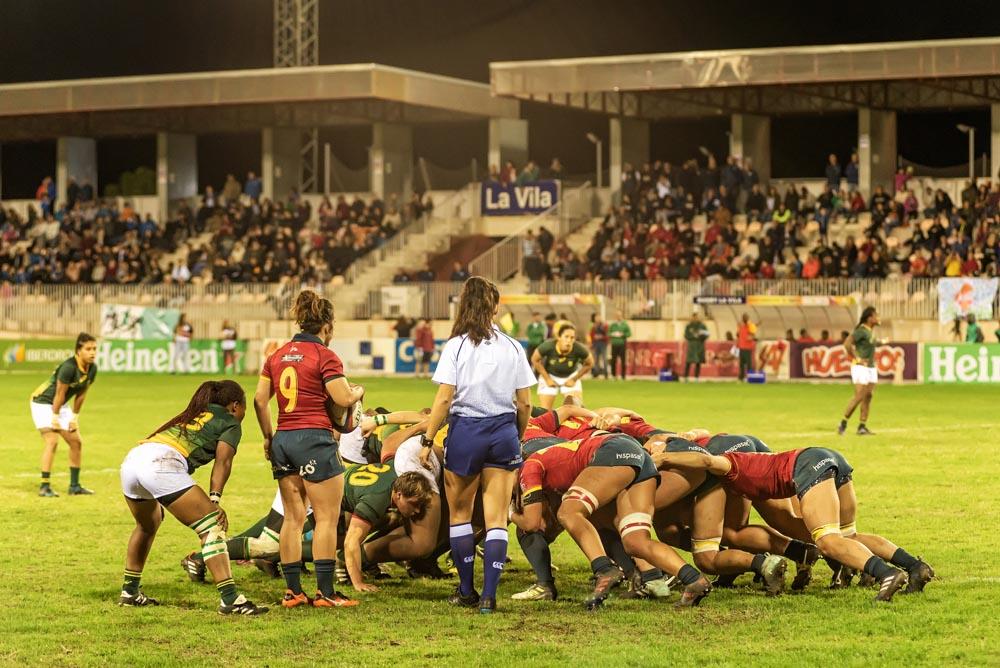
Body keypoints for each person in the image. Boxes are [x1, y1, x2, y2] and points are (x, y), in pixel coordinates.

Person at [652, 446, 934, 602]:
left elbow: (703, 459)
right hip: (827, 457)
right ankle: (914, 566)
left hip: (808, 465)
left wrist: (663, 458)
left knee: (826, 540)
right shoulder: (743, 469)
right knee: (849, 537)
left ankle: (886, 574)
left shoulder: (729, 463)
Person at [421, 276, 535, 614]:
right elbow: (525, 403)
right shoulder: (513, 347)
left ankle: (467, 589)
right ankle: (489, 596)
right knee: (497, 517)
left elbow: (444, 399)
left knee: (460, 515)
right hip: (503, 431)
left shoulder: (456, 346)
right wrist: (517, 434)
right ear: (496, 307)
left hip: (466, 432)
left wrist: (428, 439)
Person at [255, 290, 365, 609]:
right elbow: (344, 398)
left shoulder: (276, 356)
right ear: (327, 326)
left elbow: (261, 400)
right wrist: (360, 390)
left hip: (284, 438)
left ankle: (293, 592)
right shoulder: (324, 355)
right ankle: (326, 594)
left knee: (293, 517)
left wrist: (267, 437)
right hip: (313, 438)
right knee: (328, 518)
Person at [118, 380, 267, 614]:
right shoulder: (230, 422)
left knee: (148, 524)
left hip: (133, 461)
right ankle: (230, 600)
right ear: (235, 406)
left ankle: (129, 592)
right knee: (212, 526)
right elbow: (223, 462)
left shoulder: (191, 414)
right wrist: (214, 501)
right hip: (161, 465)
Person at [31, 332, 98, 497]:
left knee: (76, 442)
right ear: (78, 350)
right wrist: (54, 418)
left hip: (60, 405)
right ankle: (44, 486)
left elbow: (81, 394)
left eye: (95, 349)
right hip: (43, 402)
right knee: (52, 441)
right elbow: (59, 394)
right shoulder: (68, 367)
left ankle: (74, 486)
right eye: (88, 349)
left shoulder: (92, 368)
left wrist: (74, 417)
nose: (92, 352)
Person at [531, 324, 594, 409]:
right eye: (566, 337)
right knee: (545, 411)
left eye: (572, 337)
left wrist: (574, 379)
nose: (569, 340)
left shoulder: (579, 348)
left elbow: (590, 363)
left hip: (570, 376)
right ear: (559, 337)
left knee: (576, 408)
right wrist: (547, 378)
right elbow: (535, 359)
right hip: (550, 375)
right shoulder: (548, 346)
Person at [839, 306, 879, 436]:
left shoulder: (870, 331)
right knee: (860, 395)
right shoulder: (861, 330)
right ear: (870, 318)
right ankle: (843, 423)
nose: (878, 318)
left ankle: (862, 427)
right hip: (860, 367)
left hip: (871, 367)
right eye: (876, 316)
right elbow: (847, 343)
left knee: (868, 396)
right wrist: (857, 358)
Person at [684, 313, 709, 381]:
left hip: (699, 346)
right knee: (688, 362)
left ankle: (696, 378)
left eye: (696, 317)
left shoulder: (702, 326)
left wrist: (700, 337)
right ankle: (686, 377)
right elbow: (686, 335)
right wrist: (693, 336)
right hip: (691, 347)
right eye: (693, 317)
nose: (695, 318)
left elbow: (707, 334)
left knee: (698, 362)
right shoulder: (689, 326)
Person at [608, 310, 631, 380]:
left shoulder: (625, 324)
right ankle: (613, 375)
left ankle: (623, 376)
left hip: (622, 344)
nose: (618, 317)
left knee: (623, 360)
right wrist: (613, 334)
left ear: (622, 316)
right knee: (613, 360)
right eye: (617, 315)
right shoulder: (612, 325)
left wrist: (623, 334)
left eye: (619, 315)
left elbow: (629, 334)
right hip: (614, 344)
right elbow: (608, 333)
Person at [736, 313, 757, 380]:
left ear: (748, 318)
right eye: (743, 317)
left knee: (748, 364)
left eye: (745, 317)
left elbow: (752, 335)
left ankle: (750, 377)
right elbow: (738, 335)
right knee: (741, 364)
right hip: (741, 347)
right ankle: (741, 377)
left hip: (747, 347)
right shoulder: (741, 326)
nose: (744, 319)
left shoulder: (750, 326)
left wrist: (750, 337)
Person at [589, 314, 609, 379]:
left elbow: (607, 335)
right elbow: (591, 335)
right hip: (595, 344)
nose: (597, 319)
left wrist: (601, 337)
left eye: (598, 317)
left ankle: (606, 374)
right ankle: (596, 374)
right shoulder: (593, 326)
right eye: (596, 318)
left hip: (603, 344)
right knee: (596, 360)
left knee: (604, 359)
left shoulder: (604, 325)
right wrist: (591, 342)